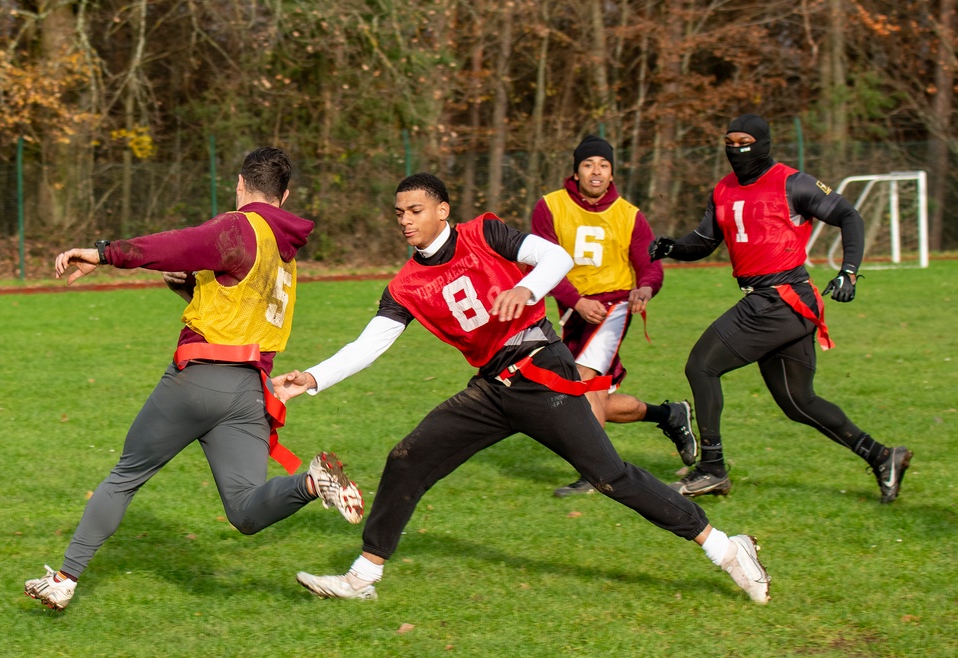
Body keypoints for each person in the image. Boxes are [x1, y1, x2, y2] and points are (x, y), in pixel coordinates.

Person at [272, 172, 771, 604]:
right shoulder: (404, 284)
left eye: (416, 210)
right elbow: (369, 344)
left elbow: (556, 257)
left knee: (609, 476)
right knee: (408, 459)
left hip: (539, 369)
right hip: (492, 389)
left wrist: (527, 287)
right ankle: (363, 577)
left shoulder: (484, 232)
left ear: (442, 210)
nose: (405, 219)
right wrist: (312, 378)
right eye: (399, 212)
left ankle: (727, 548)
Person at [24, 147, 364, 612]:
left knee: (125, 476)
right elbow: (235, 303)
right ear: (283, 196)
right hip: (249, 393)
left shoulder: (238, 226)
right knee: (245, 511)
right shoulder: (283, 255)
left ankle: (64, 580)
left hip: (201, 379)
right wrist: (188, 287)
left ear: (241, 185)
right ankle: (310, 482)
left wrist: (103, 253)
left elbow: (172, 244)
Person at [648, 113, 913, 503]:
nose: (736, 150)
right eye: (730, 142)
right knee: (797, 402)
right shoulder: (722, 189)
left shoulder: (793, 182)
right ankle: (882, 456)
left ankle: (712, 469)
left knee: (701, 366)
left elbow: (848, 216)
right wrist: (673, 248)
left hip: (778, 300)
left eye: (744, 142)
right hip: (775, 303)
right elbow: (704, 241)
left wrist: (849, 273)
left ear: (763, 143)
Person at [531, 135, 697, 497]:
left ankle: (595, 473)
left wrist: (645, 289)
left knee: (578, 382)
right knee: (597, 399)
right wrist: (575, 300)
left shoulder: (629, 215)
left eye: (603, 165)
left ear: (611, 172)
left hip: (614, 306)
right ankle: (669, 415)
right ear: (575, 171)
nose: (596, 171)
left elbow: (649, 266)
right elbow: (541, 264)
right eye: (589, 164)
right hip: (577, 309)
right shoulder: (550, 207)